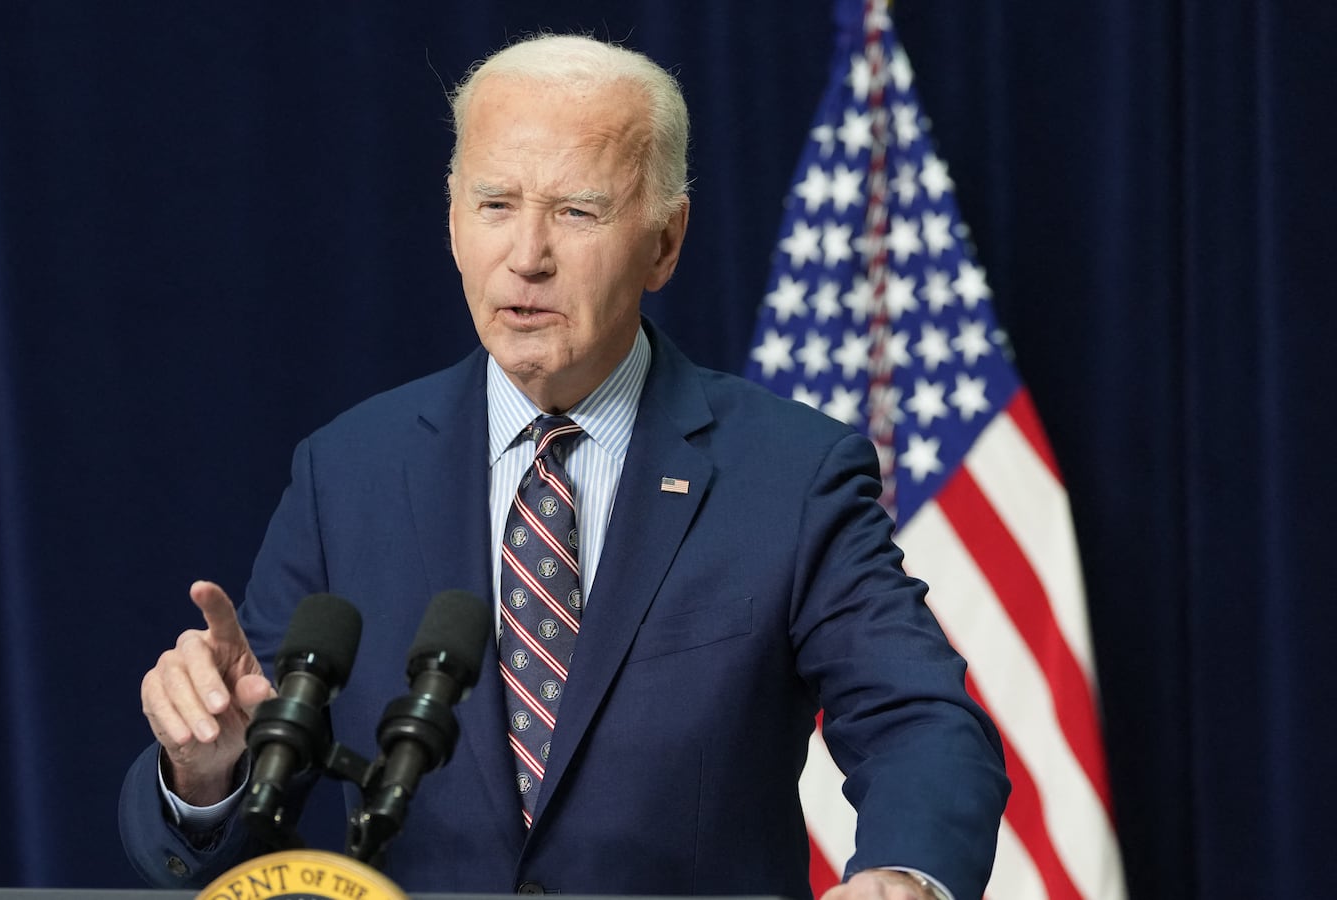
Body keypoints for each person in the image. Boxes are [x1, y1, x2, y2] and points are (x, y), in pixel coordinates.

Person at [119, 33, 1009, 900]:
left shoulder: (792, 474)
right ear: (454, 221)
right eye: (495, 203)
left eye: (576, 211)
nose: (528, 255)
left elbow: (918, 720)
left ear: (665, 243)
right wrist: (207, 774)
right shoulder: (347, 472)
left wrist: (906, 878)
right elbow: (228, 849)